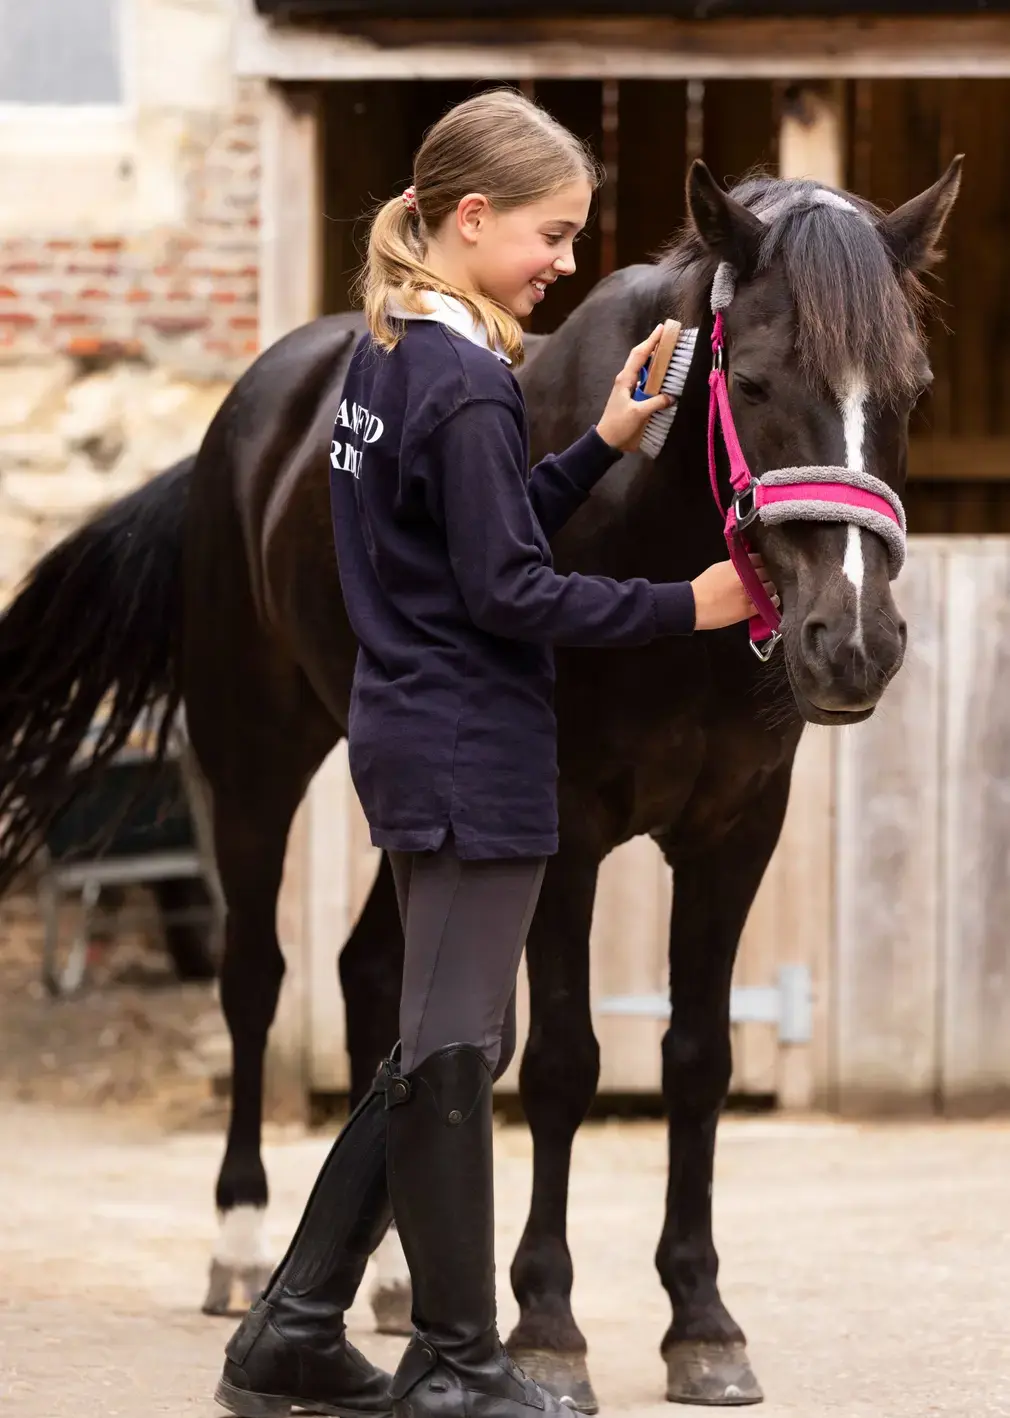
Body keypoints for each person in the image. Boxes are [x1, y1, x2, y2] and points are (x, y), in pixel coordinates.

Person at [216, 88, 775, 1418]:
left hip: (415, 730)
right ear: (469, 218)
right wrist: (684, 604)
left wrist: (596, 446)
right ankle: (458, 1364)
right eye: (549, 232)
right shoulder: (470, 381)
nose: (564, 263)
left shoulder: (391, 350)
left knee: (443, 1040)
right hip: (473, 745)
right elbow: (511, 594)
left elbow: (464, 538)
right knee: (460, 1048)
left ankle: (291, 1327)